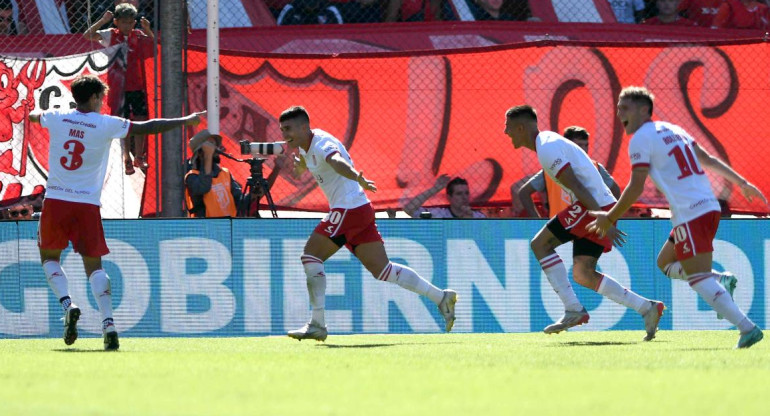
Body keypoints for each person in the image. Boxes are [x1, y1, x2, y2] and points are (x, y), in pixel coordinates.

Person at [30, 74, 204, 350]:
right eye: (102, 98)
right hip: (87, 204)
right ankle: (108, 323)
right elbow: (147, 127)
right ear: (96, 98)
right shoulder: (105, 123)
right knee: (94, 266)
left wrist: (40, 112)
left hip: (56, 201)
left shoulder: (57, 117)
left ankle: (68, 304)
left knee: (49, 258)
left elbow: (33, 116)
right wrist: (185, 120)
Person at [586, 86, 766, 349]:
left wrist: (610, 218)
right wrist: (742, 182)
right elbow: (708, 159)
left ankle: (747, 328)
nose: (618, 112)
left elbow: (635, 186)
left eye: (625, 107)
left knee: (698, 279)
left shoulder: (640, 138)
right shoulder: (673, 130)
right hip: (705, 207)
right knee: (665, 262)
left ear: (644, 110)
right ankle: (721, 281)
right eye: (618, 107)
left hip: (691, 211)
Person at [280, 106, 457, 341]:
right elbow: (319, 163)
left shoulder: (322, 144)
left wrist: (356, 176)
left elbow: (336, 161)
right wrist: (303, 167)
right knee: (383, 270)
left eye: (288, 129)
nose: (284, 134)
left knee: (311, 256)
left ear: (304, 127)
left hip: (348, 209)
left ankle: (317, 324)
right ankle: (441, 296)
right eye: (282, 129)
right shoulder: (306, 146)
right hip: (359, 209)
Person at [503, 105, 665, 340]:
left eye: (508, 127)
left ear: (520, 127)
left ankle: (573, 310)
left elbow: (579, 187)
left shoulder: (547, 148)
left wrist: (604, 218)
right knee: (583, 273)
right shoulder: (547, 143)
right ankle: (647, 308)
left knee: (540, 245)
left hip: (593, 206)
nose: (505, 132)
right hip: (599, 206)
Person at [83, 2, 155, 175]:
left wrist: (148, 30)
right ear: (116, 22)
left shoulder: (138, 35)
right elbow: (88, 35)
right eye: (123, 22)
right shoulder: (110, 35)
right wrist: (103, 20)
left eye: (130, 22)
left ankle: (139, 156)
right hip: (118, 86)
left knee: (139, 120)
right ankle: (126, 158)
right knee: (121, 123)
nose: (127, 26)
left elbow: (154, 49)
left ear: (134, 23)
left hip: (137, 85)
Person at [516, 126, 621, 218]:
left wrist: (607, 218)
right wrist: (537, 222)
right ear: (567, 146)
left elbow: (615, 190)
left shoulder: (595, 167)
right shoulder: (552, 167)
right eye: (579, 145)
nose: (584, 149)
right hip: (559, 230)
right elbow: (524, 193)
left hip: (586, 227)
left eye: (586, 145)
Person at [184, 130, 244, 218]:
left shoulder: (225, 173)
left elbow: (240, 202)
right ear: (200, 152)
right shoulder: (191, 176)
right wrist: (208, 156)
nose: (216, 148)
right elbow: (204, 187)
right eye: (210, 145)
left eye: (215, 144)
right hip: (206, 228)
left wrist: (254, 194)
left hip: (229, 227)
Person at [403, 175, 486, 218]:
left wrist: (471, 220)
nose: (464, 197)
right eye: (459, 194)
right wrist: (435, 189)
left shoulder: (478, 216)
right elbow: (409, 209)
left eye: (466, 193)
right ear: (449, 197)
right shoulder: (439, 214)